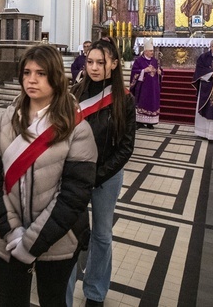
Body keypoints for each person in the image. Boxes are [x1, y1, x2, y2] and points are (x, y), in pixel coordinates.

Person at [0, 45, 97, 306]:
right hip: (7, 237)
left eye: (41, 73)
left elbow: (73, 195)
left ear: (56, 76)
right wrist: (11, 232)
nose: (31, 80)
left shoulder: (76, 128)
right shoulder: (7, 118)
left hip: (58, 241)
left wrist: (31, 242)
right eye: (27, 72)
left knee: (53, 300)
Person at [69, 39, 136, 307]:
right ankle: (65, 284)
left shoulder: (124, 100)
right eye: (91, 61)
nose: (94, 67)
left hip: (106, 177)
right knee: (71, 233)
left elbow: (126, 147)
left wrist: (98, 175)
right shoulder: (75, 93)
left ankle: (95, 291)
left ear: (115, 64)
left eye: (101, 62)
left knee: (102, 234)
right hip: (74, 176)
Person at [129, 38, 162, 129]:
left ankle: (150, 123)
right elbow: (134, 72)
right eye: (151, 51)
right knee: (142, 103)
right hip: (143, 87)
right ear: (146, 51)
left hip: (153, 87)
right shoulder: (139, 61)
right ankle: (139, 122)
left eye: (153, 50)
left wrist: (159, 72)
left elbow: (158, 70)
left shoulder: (154, 61)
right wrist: (143, 71)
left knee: (152, 103)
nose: (152, 52)